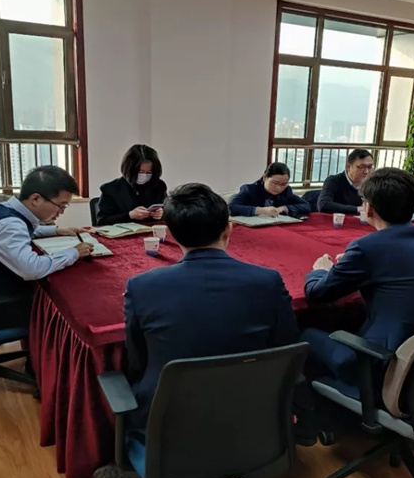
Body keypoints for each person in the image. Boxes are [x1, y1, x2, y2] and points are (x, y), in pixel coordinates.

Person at [123, 183, 298, 429]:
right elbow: (285, 344)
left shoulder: (141, 287)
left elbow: (137, 359)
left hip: (167, 418)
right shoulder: (268, 281)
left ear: (171, 234)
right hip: (252, 410)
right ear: (229, 229)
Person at [301, 167, 414, 398]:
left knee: (303, 332)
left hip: (386, 363)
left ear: (369, 208)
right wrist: (354, 263)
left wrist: (320, 270)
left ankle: (309, 408)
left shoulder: (367, 247)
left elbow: (317, 293)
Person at [0, 166, 92, 333]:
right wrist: (74, 252)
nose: (61, 213)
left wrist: (56, 230)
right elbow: (32, 269)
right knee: (68, 305)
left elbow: (23, 230)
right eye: (60, 206)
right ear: (36, 199)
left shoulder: (5, 209)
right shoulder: (8, 225)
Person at [97, 144, 168, 225]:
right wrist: (129, 215)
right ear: (130, 169)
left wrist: (162, 213)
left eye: (149, 172)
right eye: (141, 172)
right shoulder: (110, 189)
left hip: (152, 231)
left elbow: (171, 212)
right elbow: (101, 221)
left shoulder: (158, 186)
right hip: (124, 232)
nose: (144, 175)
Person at [228, 162, 311, 217]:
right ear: (265, 177)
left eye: (283, 184)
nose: (278, 188)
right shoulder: (250, 189)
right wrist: (260, 210)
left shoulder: (286, 191)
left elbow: (306, 206)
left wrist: (285, 208)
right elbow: (231, 207)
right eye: (275, 183)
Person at [317, 149, 374, 214]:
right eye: (361, 167)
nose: (366, 172)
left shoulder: (372, 184)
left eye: (370, 167)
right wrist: (357, 209)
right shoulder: (334, 181)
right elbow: (323, 205)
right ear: (348, 167)